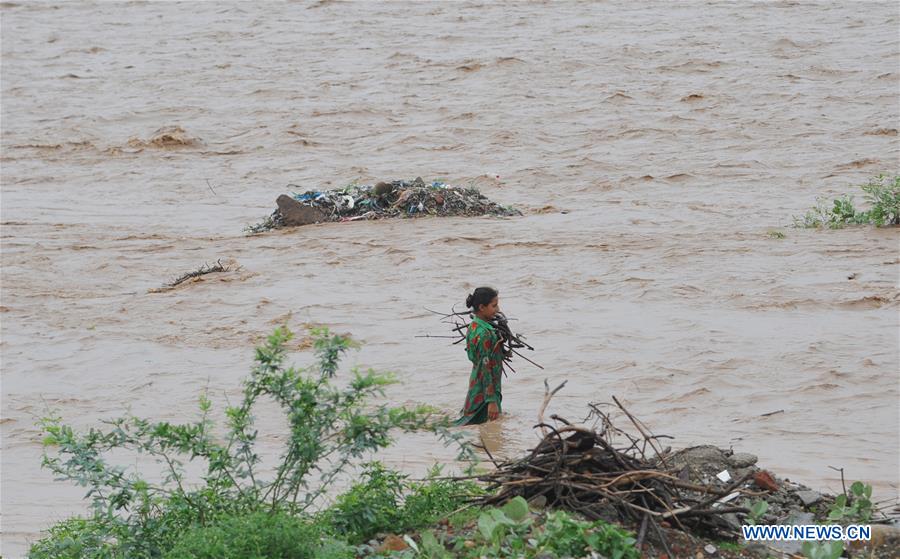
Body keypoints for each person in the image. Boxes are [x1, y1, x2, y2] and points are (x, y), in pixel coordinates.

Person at [455, 287, 505, 425]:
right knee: (485, 426)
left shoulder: (474, 327)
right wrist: (491, 401)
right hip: (485, 391)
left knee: (475, 426)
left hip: (476, 385)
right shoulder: (484, 334)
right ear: (482, 307)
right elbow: (485, 368)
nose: (498, 309)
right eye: (494, 306)